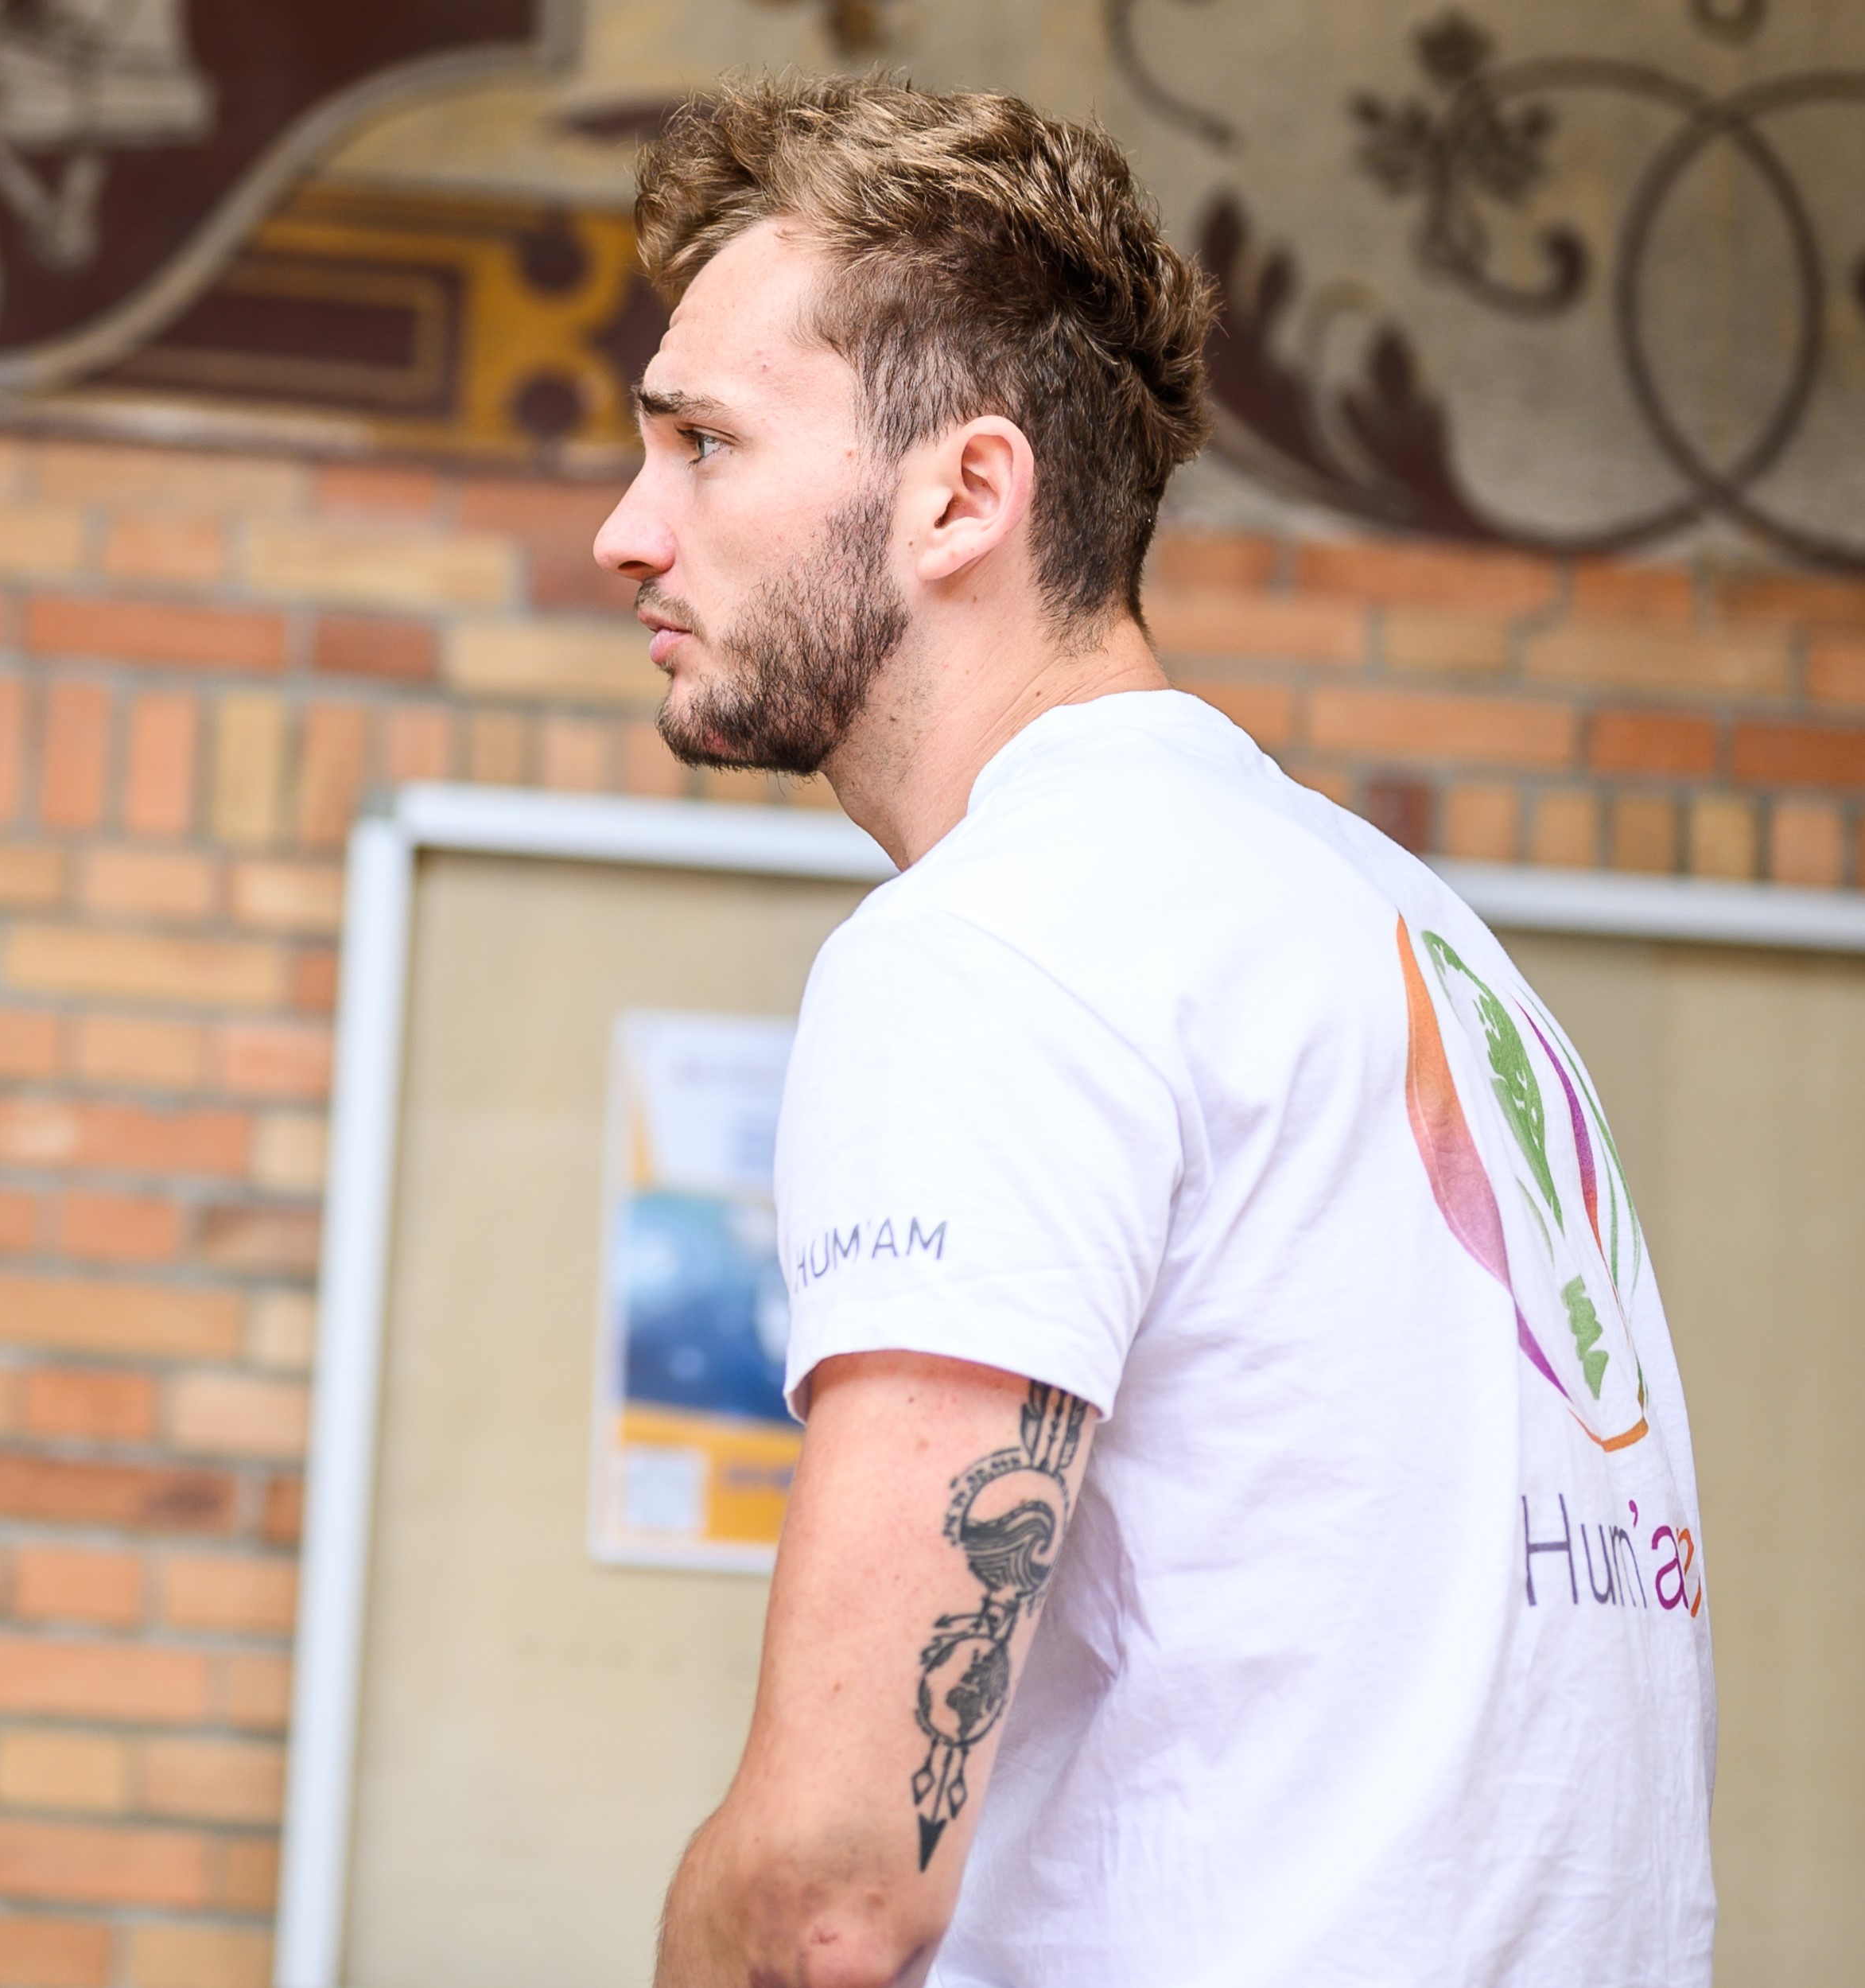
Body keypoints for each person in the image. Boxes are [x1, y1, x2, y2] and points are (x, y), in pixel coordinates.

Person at [599, 78, 1714, 1986]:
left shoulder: (998, 945)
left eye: (703, 441)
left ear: (965, 492)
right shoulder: (1418, 943)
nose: (628, 530)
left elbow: (826, 1892)